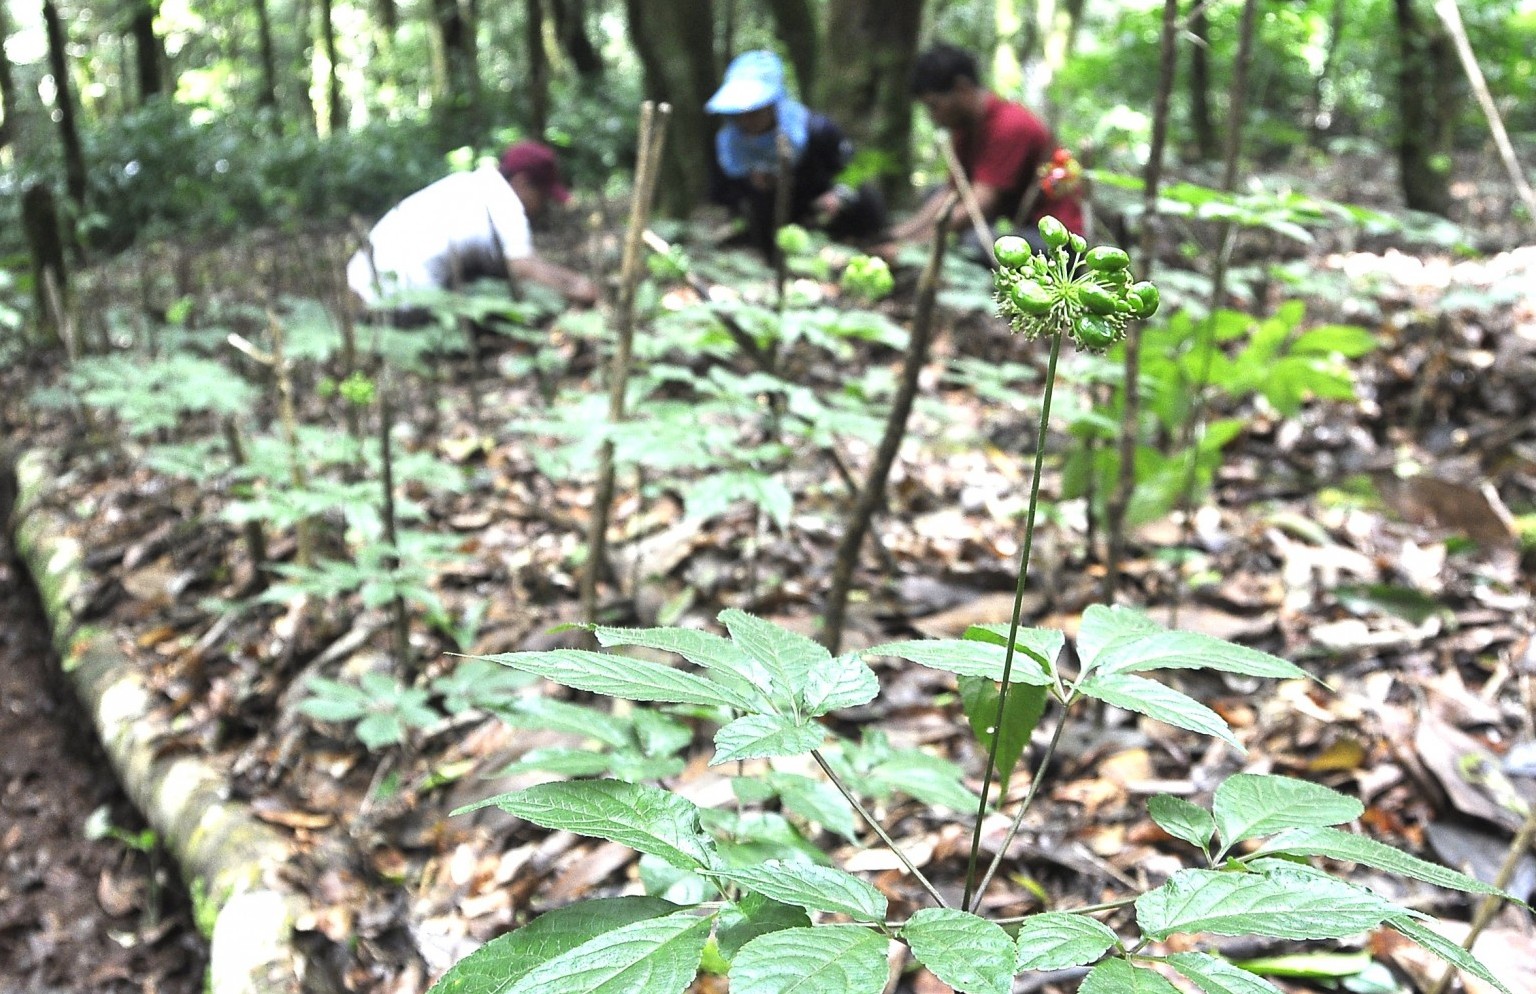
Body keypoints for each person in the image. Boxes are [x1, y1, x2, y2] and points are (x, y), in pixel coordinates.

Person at [346, 140, 598, 311]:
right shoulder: (505, 204)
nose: (543, 206)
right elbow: (524, 269)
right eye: (543, 196)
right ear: (521, 183)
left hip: (362, 286)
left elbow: (526, 260)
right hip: (397, 301)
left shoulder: (473, 184)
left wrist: (573, 280)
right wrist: (581, 290)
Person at [886, 43, 1084, 258]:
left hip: (1059, 240)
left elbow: (980, 203)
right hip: (1018, 225)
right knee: (934, 193)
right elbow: (951, 193)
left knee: (973, 242)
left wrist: (912, 246)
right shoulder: (965, 130)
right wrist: (899, 234)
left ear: (962, 88)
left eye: (934, 106)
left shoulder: (1010, 125)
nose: (933, 117)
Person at [705, 50, 885, 257]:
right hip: (774, 236)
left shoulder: (817, 131)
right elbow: (721, 195)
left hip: (829, 224)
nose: (745, 120)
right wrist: (754, 187)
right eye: (738, 113)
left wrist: (838, 196)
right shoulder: (726, 147)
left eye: (754, 112)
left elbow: (855, 172)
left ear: (773, 105)